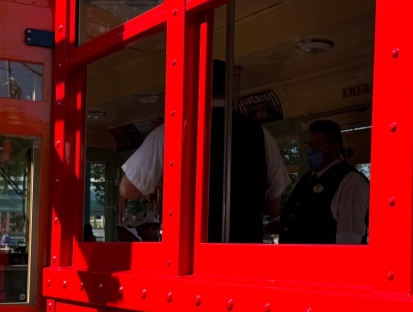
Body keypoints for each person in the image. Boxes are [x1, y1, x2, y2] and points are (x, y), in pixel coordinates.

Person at [119, 60, 289, 242]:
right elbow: (273, 207)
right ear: (229, 90)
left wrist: (153, 187)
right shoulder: (262, 135)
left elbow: (127, 190)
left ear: (193, 87)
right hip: (244, 251)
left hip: (189, 251)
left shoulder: (170, 131)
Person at [278, 120, 369, 245]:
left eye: (317, 145)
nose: (311, 150)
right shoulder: (306, 179)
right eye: (310, 145)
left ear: (335, 148)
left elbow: (349, 238)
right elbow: (297, 214)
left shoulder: (351, 181)